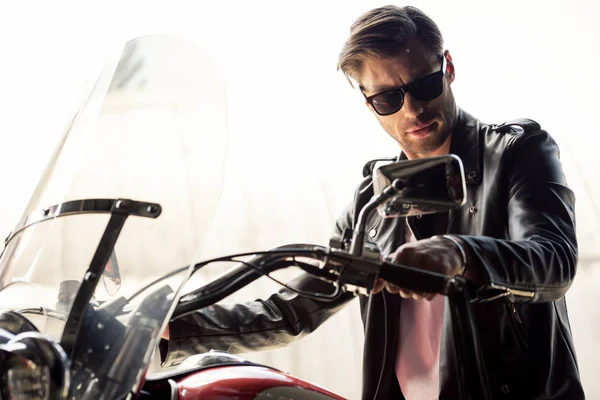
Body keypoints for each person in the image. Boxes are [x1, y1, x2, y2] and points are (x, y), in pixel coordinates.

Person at [161, 5, 584, 399]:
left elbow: (552, 259)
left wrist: (459, 253)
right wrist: (164, 329)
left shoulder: (516, 152)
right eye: (387, 98)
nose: (412, 109)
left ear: (448, 68)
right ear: (367, 102)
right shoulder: (372, 203)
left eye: (423, 84)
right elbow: (292, 311)